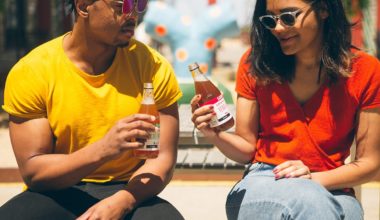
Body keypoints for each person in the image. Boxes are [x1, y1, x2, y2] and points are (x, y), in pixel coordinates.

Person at [191, 0, 380, 219]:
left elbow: (369, 163)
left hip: (331, 183)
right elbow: (246, 149)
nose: (278, 28)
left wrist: (313, 180)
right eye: (270, 20)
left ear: (323, 9)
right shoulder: (255, 64)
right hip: (264, 178)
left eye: (289, 17)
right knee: (313, 204)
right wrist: (215, 134)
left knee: (340, 210)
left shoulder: (366, 71)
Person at [0, 0, 184, 219]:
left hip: (130, 187)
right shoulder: (33, 71)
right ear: (84, 7)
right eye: (122, 6)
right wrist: (104, 149)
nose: (132, 14)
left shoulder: (153, 66)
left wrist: (123, 201)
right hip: (58, 189)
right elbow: (35, 171)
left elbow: (162, 158)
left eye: (138, 4)